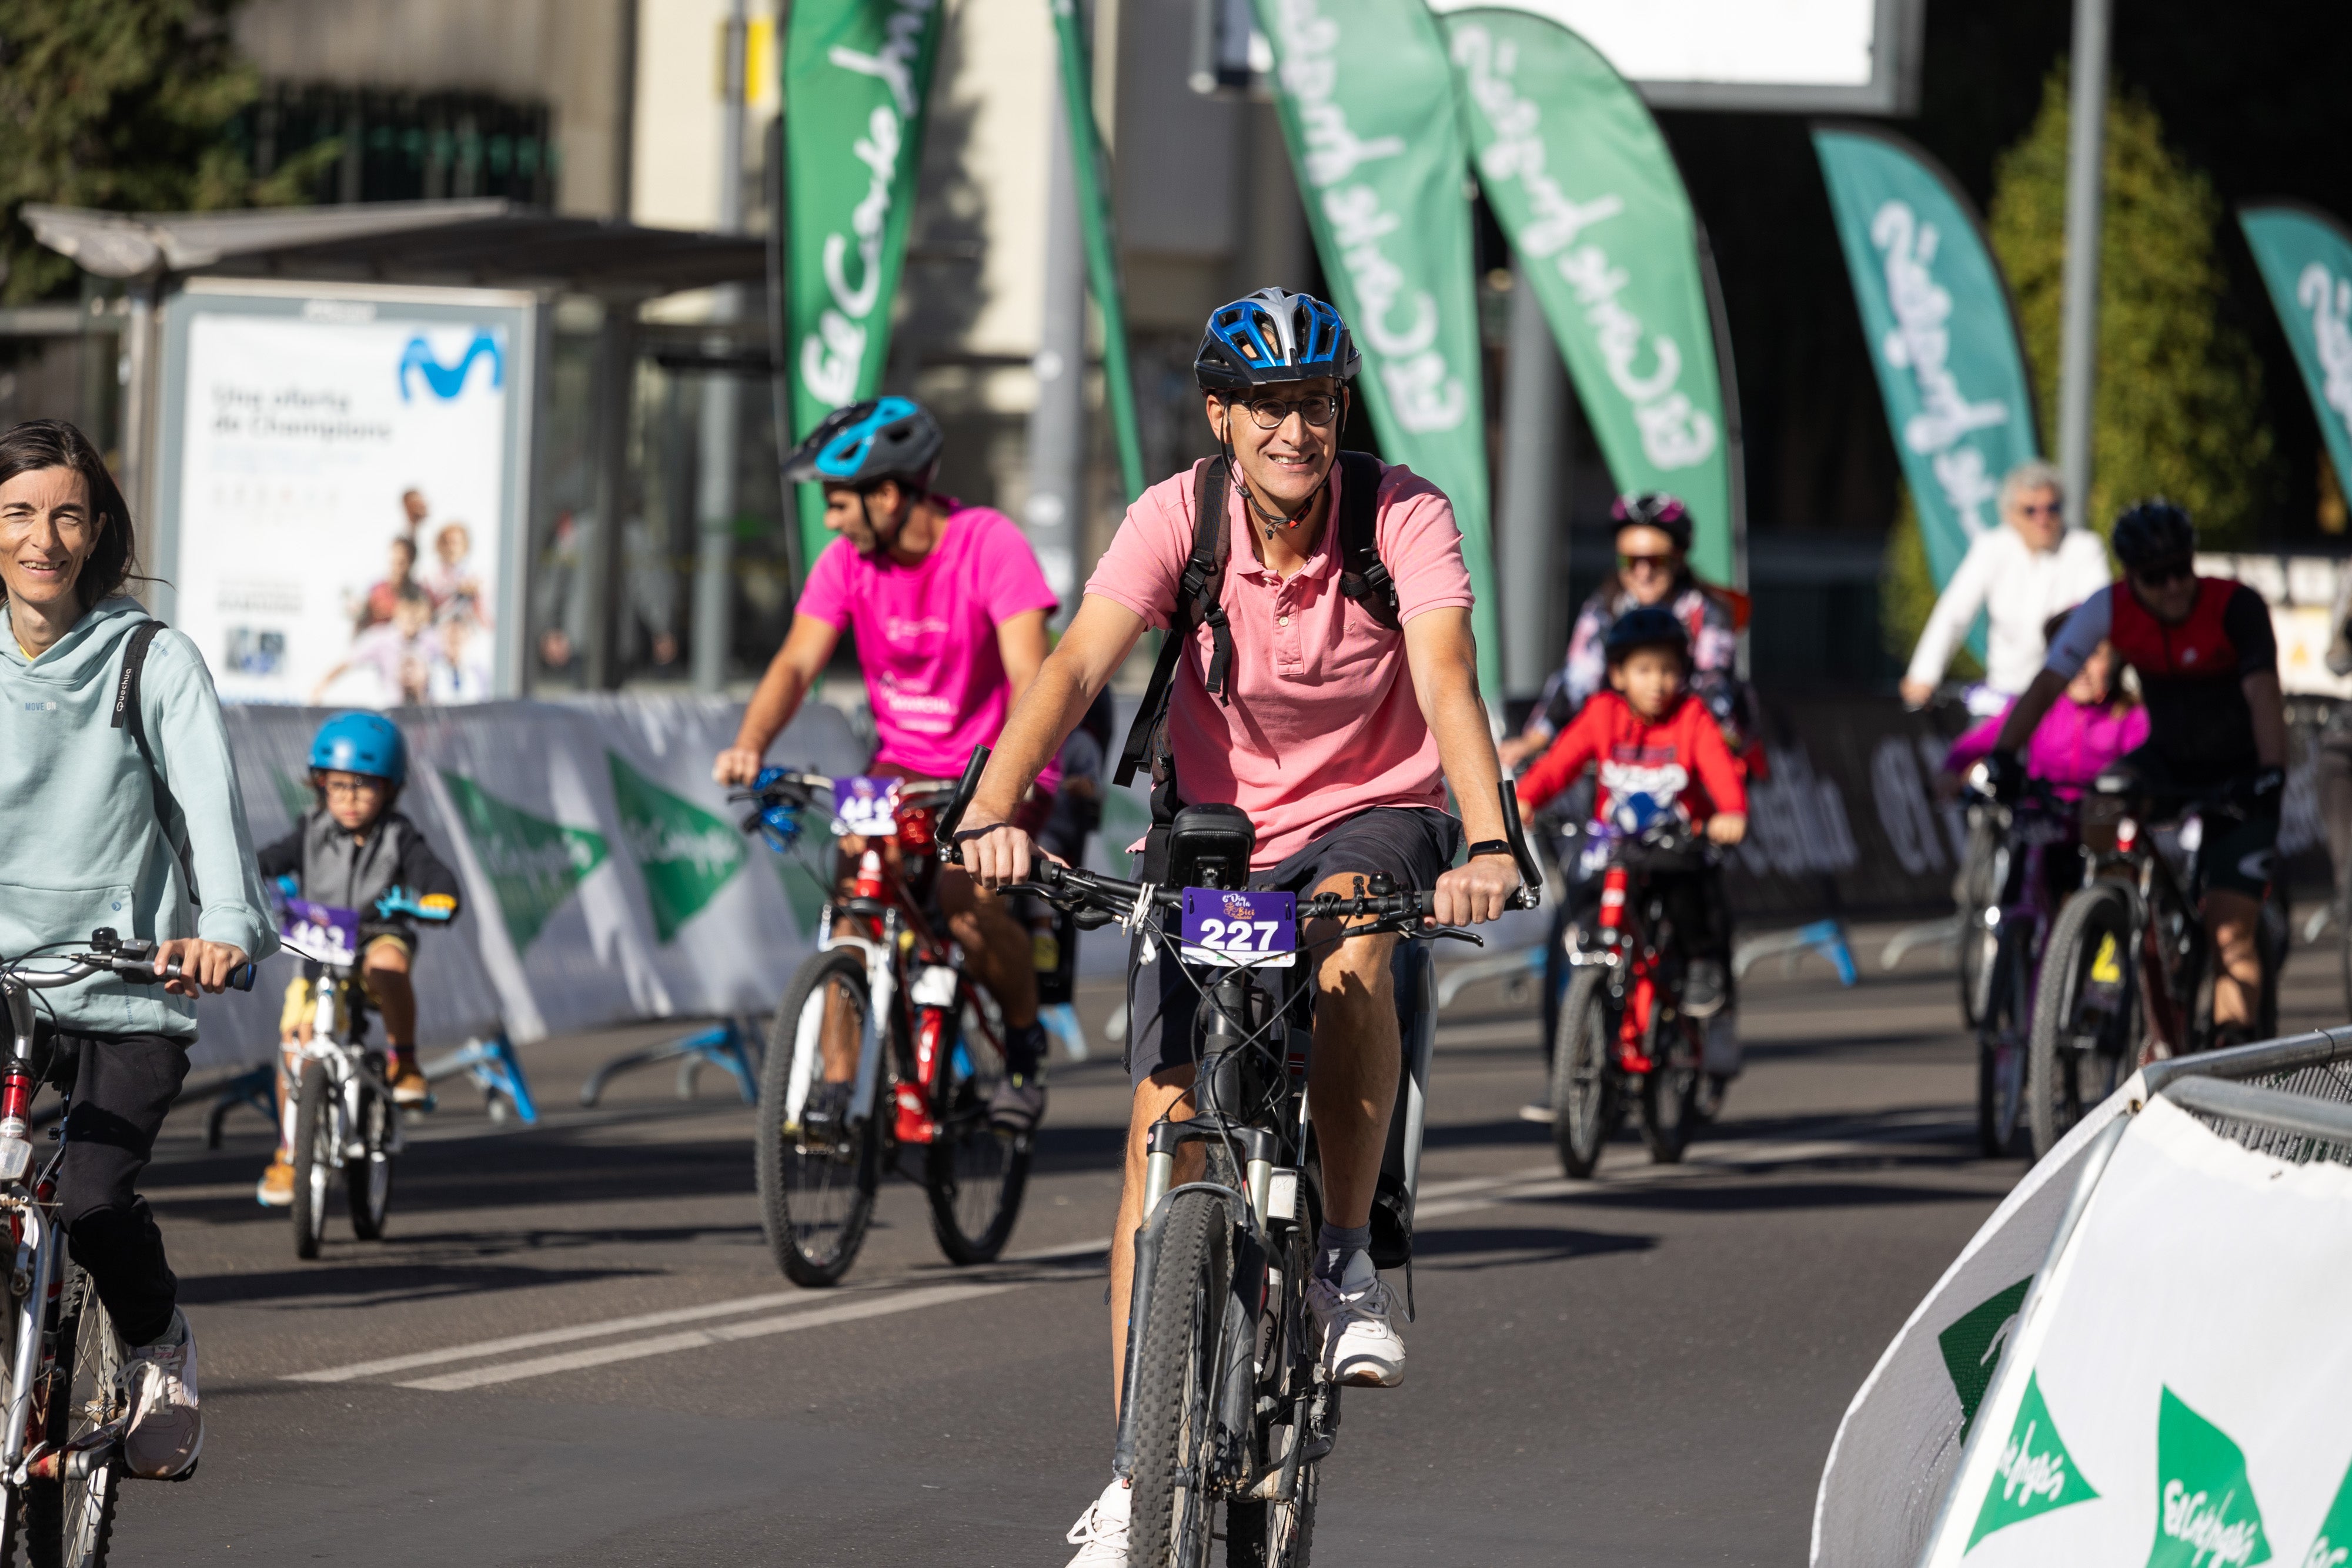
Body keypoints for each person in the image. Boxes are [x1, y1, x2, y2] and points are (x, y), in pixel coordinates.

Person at [951, 287, 1522, 1567]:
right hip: (1212, 829)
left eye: (1313, 403)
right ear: (1221, 416)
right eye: (1266, 407)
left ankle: (1337, 1256)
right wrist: (990, 809)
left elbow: (1446, 677)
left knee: (1353, 945)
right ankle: (1128, 1474)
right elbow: (1072, 668)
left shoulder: (1402, 515)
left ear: (1337, 412)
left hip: (1373, 811)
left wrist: (1484, 843)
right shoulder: (1177, 514)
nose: (1293, 430)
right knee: (1161, 1138)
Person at [0, 417, 279, 1479]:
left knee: (93, 1196)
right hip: (7, 979)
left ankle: (156, 1340)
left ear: (99, 528)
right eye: (20, 513)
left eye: (67, 513)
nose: (43, 538)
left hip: (126, 983)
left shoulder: (147, 657)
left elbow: (212, 809)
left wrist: (220, 931)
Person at [711, 396, 1058, 1134]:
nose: (830, 522)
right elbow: (796, 662)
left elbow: (1034, 677)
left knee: (969, 909)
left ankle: (1024, 1048)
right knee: (853, 897)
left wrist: (1006, 784)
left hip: (996, 765)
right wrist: (751, 743)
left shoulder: (987, 543)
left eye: (838, 504)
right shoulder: (846, 564)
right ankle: (838, 1088)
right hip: (901, 767)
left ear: (890, 495)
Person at [1985, 501, 2286, 1042]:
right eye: (2155, 576)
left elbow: (2263, 695)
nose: (2172, 586)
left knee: (2228, 930)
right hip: (2167, 758)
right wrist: (2004, 754)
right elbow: (2048, 683)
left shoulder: (2235, 606)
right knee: (2101, 801)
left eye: (2180, 569)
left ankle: (2227, 1051)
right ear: (2131, 577)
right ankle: (2110, 928)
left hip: (2241, 769)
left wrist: (2270, 771)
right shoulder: (2109, 608)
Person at [254, 711, 463, 1205]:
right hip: (319, 952)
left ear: (390, 789)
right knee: (293, 1047)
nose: (349, 798)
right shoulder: (309, 829)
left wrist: (435, 899)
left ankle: (405, 1061)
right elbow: (262, 861)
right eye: (338, 785)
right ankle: (289, 1152)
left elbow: (438, 881)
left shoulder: (399, 836)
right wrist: (252, 880)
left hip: (375, 936)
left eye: (364, 786)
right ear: (320, 784)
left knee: (386, 966)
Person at [1512, 607, 1748, 1014]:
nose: (1657, 682)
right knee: (1582, 900)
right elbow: (1559, 763)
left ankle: (1698, 964)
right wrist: (1527, 798)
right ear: (1618, 674)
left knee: (1685, 891)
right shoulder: (1603, 712)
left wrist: (1731, 811)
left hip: (1674, 844)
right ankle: (1588, 990)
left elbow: (1720, 769)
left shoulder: (1691, 716)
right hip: (1613, 844)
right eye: (1643, 669)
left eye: (1668, 669)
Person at [1498, 491, 1745, 771]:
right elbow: (1578, 680)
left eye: (1655, 561)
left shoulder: (1709, 612)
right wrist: (1534, 741)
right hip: (1622, 755)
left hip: (1692, 755)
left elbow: (1714, 690)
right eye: (1630, 561)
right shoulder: (1606, 606)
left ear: (1678, 557)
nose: (1642, 572)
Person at [1899, 459, 2112, 709]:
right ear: (2010, 515)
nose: (2042, 519)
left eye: (2051, 508)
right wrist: (1923, 675)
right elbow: (1954, 613)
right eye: (2031, 511)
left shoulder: (2085, 549)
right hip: (2004, 697)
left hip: (2063, 699)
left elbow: (2101, 622)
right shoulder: (1991, 548)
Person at [1941, 610, 2147, 799]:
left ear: (2114, 661)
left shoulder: (2129, 716)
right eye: (2072, 653)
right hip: (2039, 826)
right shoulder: (2039, 706)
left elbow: (2144, 768)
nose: (2081, 667)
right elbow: (1976, 742)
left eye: (2093, 653)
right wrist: (1950, 773)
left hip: (2100, 829)